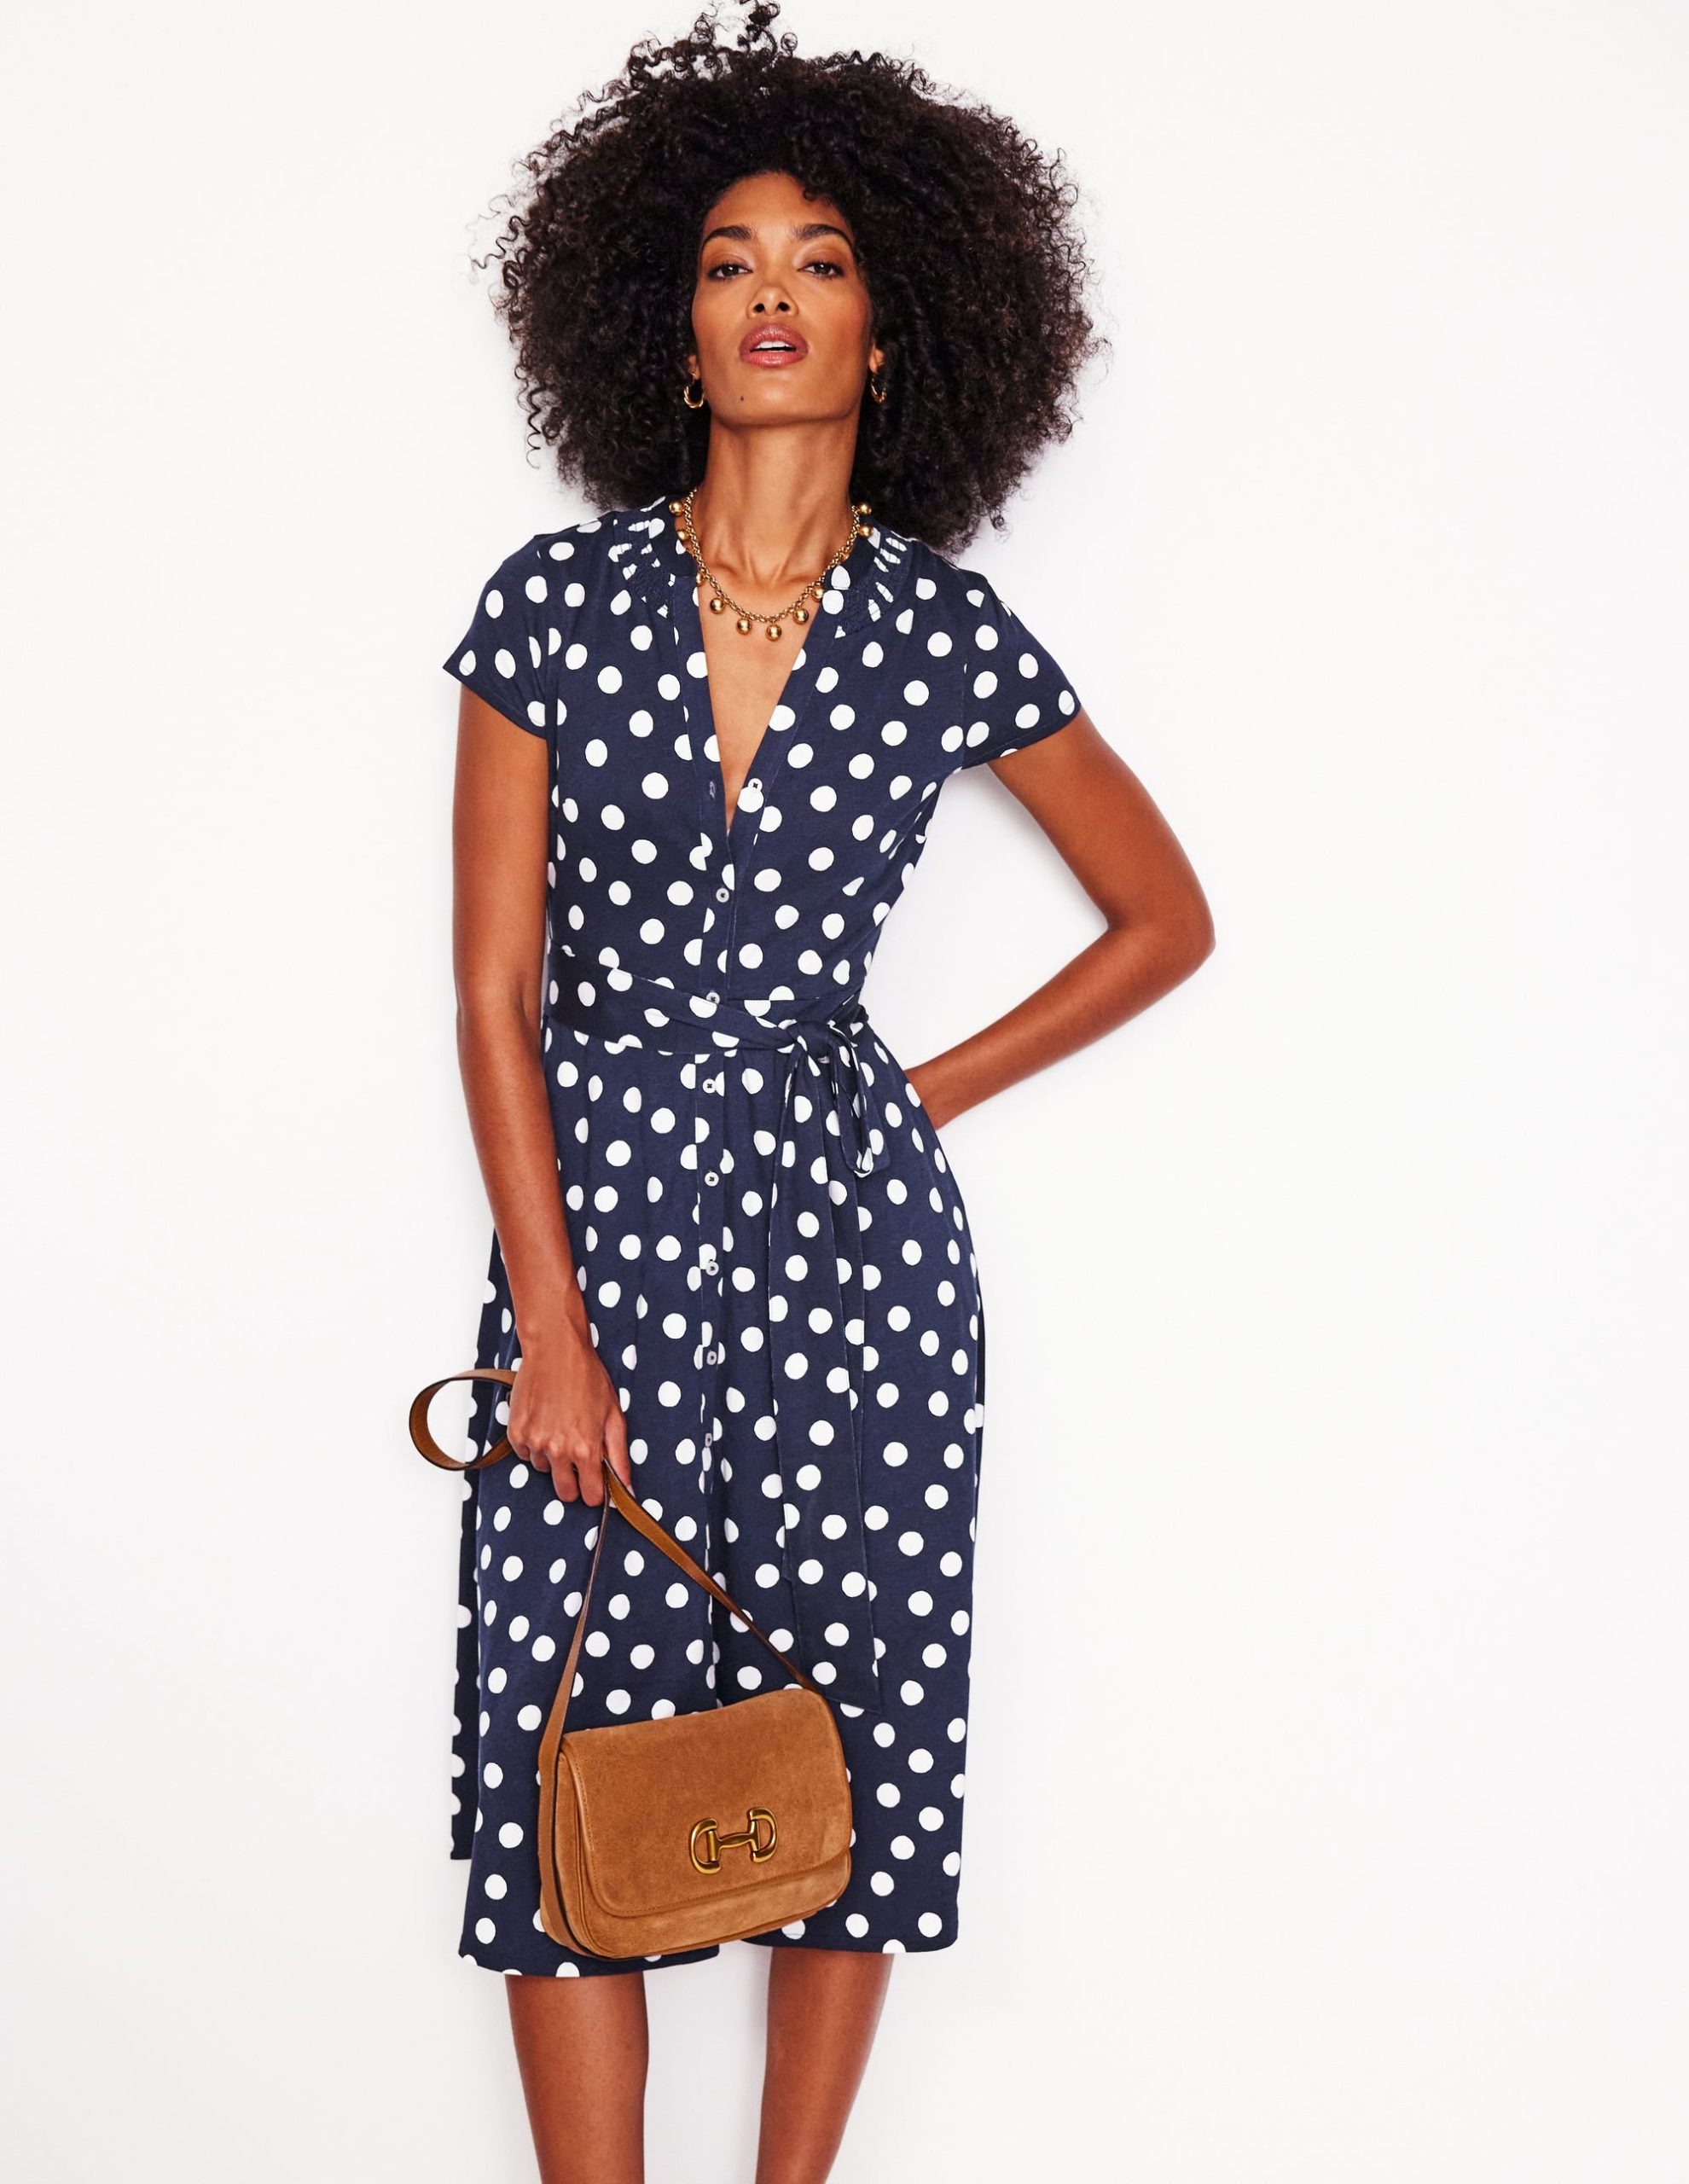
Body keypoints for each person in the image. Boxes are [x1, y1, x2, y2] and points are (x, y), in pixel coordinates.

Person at [438, 6, 1214, 2178]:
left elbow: (1165, 917)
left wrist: (913, 1099)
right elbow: (494, 996)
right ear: (670, 330)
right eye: (726, 262)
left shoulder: (943, 635)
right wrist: (552, 1326)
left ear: (895, 325)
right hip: (599, 1224)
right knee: (554, 1723)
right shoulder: (553, 605)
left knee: (846, 1726)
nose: (772, 293)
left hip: (855, 1259)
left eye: (823, 258)